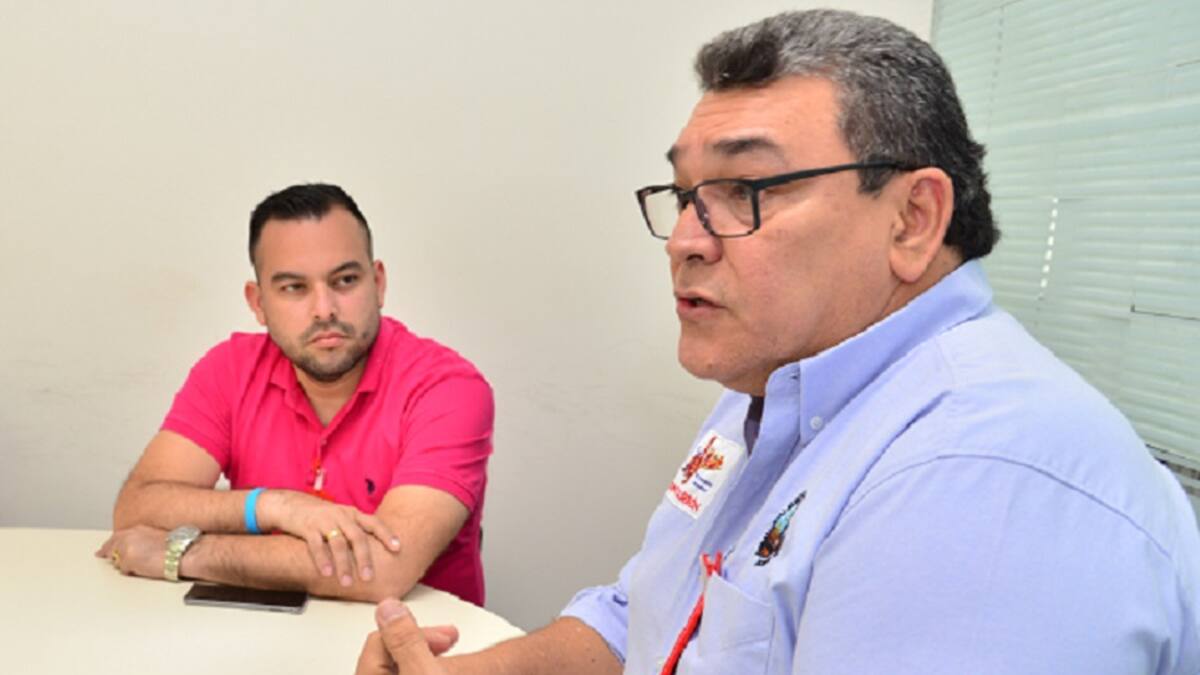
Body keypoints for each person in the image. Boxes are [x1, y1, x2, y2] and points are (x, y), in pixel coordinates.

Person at [358, 8, 1200, 673]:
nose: (684, 239)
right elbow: (644, 618)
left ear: (913, 219)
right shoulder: (774, 386)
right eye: (684, 194)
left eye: (745, 189)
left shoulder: (977, 478)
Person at [98, 183, 494, 605]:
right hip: (262, 635)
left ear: (378, 283)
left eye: (345, 280)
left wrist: (186, 553)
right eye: (294, 287)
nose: (324, 309)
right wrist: (274, 506)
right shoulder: (229, 370)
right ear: (258, 303)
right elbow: (137, 507)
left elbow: (382, 569)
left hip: (413, 641)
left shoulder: (448, 389)